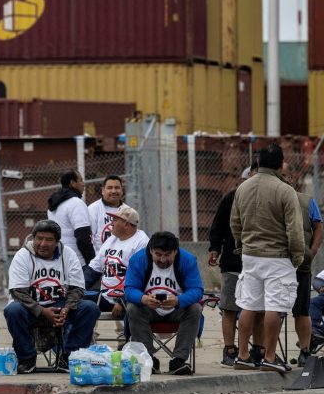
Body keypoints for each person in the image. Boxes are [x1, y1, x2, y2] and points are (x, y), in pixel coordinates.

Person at [229, 144, 305, 373]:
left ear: (259, 162)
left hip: (251, 255)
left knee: (248, 304)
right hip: (278, 256)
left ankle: (242, 355)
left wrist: (241, 245)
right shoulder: (285, 190)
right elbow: (294, 228)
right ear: (281, 165)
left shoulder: (243, 188)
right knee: (275, 306)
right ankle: (269, 357)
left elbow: (235, 222)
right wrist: (297, 254)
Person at [4, 219, 101, 374]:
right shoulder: (22, 256)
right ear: (33, 238)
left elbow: (77, 289)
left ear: (57, 242)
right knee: (13, 310)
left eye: (49, 240)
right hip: (31, 307)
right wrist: (42, 311)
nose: (43, 244)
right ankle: (27, 359)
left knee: (90, 308)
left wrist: (67, 309)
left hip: (60, 305)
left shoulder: (68, 254)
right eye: (39, 238)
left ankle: (69, 357)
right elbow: (18, 292)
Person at [124, 231, 204, 376]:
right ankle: (148, 359)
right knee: (132, 308)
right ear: (150, 251)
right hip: (149, 309)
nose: (162, 259)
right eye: (158, 254)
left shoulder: (188, 260)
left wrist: (178, 301)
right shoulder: (138, 260)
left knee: (195, 309)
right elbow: (129, 289)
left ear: (176, 251)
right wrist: (144, 299)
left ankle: (178, 360)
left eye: (167, 255)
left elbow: (197, 290)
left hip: (177, 310)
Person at [207, 160, 259, 367]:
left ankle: (256, 348)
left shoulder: (266, 198)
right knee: (229, 307)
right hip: (233, 261)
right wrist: (214, 249)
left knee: (256, 308)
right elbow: (218, 226)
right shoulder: (231, 198)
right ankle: (229, 348)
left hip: (258, 261)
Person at [287, 162, 324, 367]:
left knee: (301, 310)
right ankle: (267, 352)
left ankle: (305, 349)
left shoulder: (306, 201)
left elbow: (318, 227)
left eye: (285, 174)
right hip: (276, 263)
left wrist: (312, 251)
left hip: (301, 264)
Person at [83, 205, 149, 315]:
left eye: (115, 220)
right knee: (73, 301)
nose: (111, 223)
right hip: (105, 296)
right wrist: (78, 289)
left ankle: (129, 332)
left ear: (127, 224)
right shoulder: (112, 239)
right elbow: (93, 269)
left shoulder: (141, 242)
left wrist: (122, 300)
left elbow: (142, 277)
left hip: (128, 298)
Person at [46, 169, 95, 266]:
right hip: (77, 262)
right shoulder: (76, 203)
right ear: (72, 183)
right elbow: (83, 238)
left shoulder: (53, 205)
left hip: (58, 259)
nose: (83, 184)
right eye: (80, 180)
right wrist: (92, 263)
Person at [87, 175, 125, 249]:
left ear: (122, 190)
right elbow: (89, 239)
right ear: (103, 191)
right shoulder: (93, 209)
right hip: (101, 258)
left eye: (117, 188)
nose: (114, 191)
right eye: (109, 188)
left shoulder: (127, 210)